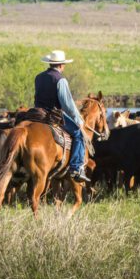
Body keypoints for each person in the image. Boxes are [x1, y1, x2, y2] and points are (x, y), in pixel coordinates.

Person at [34, 50, 89, 182]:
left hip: (37, 114)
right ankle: (76, 168)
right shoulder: (60, 80)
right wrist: (78, 120)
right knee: (78, 134)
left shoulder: (39, 77)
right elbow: (67, 104)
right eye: (64, 64)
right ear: (61, 65)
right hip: (53, 115)